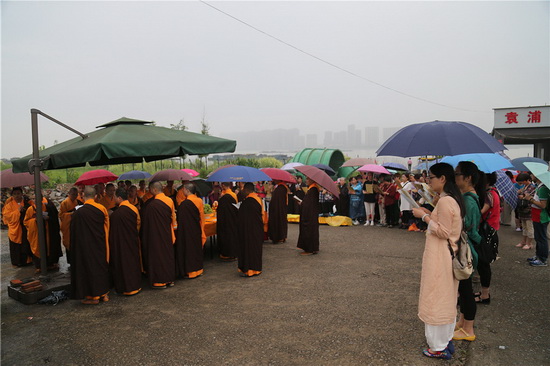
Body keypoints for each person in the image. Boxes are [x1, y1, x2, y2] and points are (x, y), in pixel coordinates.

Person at [412, 163, 464, 360]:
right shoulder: (449, 199)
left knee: (435, 295)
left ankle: (438, 346)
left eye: (431, 177)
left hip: (440, 254)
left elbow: (443, 231)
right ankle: (444, 340)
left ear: (443, 179)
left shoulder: (445, 201)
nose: (428, 180)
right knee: (444, 295)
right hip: (444, 253)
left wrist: (424, 216)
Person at [453, 161, 484, 342]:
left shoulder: (469, 200)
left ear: (468, 177)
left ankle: (468, 329)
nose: (455, 177)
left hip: (467, 251)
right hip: (468, 250)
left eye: (458, 174)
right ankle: (462, 322)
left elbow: (470, 231)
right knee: (463, 290)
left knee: (467, 292)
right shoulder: (467, 197)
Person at [70, 186, 110, 305]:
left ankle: (93, 297)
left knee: (89, 269)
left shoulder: (78, 212)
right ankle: (104, 294)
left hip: (85, 246)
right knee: (100, 267)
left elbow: (74, 232)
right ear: (96, 196)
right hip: (99, 243)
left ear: (82, 196)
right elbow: (107, 226)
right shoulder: (102, 208)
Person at [141, 181, 177, 288]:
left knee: (157, 256)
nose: (149, 191)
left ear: (154, 190)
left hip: (155, 235)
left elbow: (147, 222)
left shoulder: (151, 205)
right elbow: (173, 218)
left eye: (150, 190)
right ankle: (170, 280)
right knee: (168, 256)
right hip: (167, 232)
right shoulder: (169, 200)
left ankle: (160, 281)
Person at [109, 188, 142, 296]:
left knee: (123, 264)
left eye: (114, 197)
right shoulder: (133, 209)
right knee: (133, 262)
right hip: (132, 241)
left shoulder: (115, 215)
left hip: (120, 244)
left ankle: (126, 288)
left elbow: (112, 232)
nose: (113, 199)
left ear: (119, 198)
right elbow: (138, 224)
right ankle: (135, 286)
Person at [476, 172, 501, 303]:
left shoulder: (489, 194)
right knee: (483, 262)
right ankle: (484, 292)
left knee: (483, 262)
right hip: (492, 229)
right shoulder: (494, 191)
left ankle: (485, 295)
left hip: (487, 231)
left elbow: (482, 211)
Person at [24, 192, 62, 273]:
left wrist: (48, 218)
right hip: (37, 234)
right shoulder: (30, 209)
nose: (35, 200)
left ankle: (50, 264)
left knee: (49, 247)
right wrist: (34, 221)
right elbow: (26, 222)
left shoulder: (49, 207)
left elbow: (55, 219)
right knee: (38, 248)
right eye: (33, 198)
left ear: (41, 199)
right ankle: (39, 266)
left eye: (37, 198)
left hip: (48, 232)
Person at [175, 182, 206, 279]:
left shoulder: (184, 205)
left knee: (189, 250)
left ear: (187, 190)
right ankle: (198, 270)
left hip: (187, 231)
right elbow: (201, 217)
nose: (182, 191)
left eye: (183, 189)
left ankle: (191, 272)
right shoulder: (199, 201)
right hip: (197, 229)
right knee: (196, 249)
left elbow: (180, 219)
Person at [237, 182, 264, 276]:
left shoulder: (247, 202)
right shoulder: (258, 199)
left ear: (247, 190)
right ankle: (257, 268)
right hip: (257, 228)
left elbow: (241, 216)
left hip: (248, 229)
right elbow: (263, 214)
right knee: (255, 248)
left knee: (248, 248)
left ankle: (249, 270)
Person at [523, 173, 549, 267]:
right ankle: (538, 256)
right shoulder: (539, 186)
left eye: (533, 174)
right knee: (538, 237)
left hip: (541, 216)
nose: (531, 175)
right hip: (537, 215)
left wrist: (530, 199)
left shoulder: (543, 188)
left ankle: (542, 259)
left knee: (541, 238)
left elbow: (543, 205)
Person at [2, 187, 32, 267]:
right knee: (15, 247)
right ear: (12, 196)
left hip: (25, 228)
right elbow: (7, 216)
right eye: (14, 194)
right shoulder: (9, 205)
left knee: (26, 244)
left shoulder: (27, 203)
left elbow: (32, 212)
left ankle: (27, 260)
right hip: (15, 229)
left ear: (22, 194)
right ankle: (16, 262)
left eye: (18, 193)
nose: (17, 196)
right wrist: (17, 211)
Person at [58, 187, 83, 264]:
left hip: (75, 225)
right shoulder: (64, 203)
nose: (74, 196)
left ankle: (77, 260)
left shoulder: (77, 201)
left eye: (76, 194)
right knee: (69, 242)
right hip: (68, 226)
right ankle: (70, 261)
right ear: (69, 194)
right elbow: (61, 215)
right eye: (73, 194)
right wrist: (71, 214)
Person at [217, 182, 239, 261]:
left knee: (226, 235)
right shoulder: (233, 194)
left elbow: (221, 209)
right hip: (233, 218)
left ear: (223, 185)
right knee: (233, 234)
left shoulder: (225, 196)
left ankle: (227, 254)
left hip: (225, 219)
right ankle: (234, 253)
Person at [297, 177, 320, 255]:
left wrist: (302, 204)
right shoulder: (312, 188)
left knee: (309, 229)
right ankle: (314, 248)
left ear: (312, 180)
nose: (306, 180)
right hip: (312, 213)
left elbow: (308, 204)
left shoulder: (313, 189)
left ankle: (310, 249)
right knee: (313, 229)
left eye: (307, 179)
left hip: (309, 214)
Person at [515, 173, 536, 250]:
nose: (521, 183)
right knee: (524, 226)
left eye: (522, 181)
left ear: (527, 180)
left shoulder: (532, 187)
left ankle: (529, 243)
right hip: (523, 209)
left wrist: (523, 196)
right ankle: (523, 241)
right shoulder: (525, 186)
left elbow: (532, 197)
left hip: (529, 210)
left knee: (529, 227)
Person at [268, 180, 289, 244]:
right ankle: (282, 236)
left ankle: (279, 237)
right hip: (281, 208)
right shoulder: (281, 187)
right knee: (282, 221)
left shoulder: (281, 188)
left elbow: (276, 199)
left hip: (278, 209)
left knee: (278, 222)